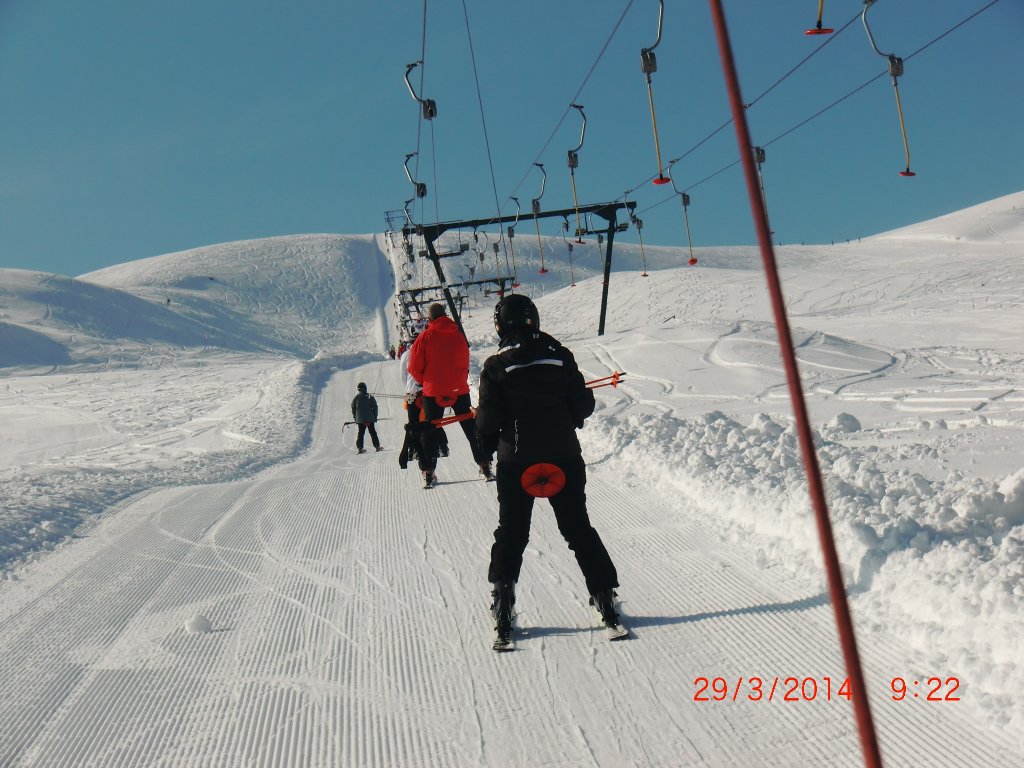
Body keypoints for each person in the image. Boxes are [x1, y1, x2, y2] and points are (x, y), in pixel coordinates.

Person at [476, 294, 623, 646]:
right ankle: (604, 597)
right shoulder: (560, 356)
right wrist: (568, 418)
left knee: (512, 532)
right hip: (563, 458)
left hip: (516, 461)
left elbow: (486, 422)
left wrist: (485, 452)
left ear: (500, 326)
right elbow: (583, 404)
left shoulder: (495, 367)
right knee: (577, 529)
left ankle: (503, 600)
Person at [408, 302, 490, 487]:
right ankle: (484, 464)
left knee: (430, 430)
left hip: (433, 391)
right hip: (458, 390)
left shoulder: (424, 337)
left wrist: (425, 381)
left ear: (430, 319)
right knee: (471, 428)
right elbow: (464, 361)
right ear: (445, 315)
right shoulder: (458, 336)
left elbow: (414, 367)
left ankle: (428, 471)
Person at [398, 334, 448, 470]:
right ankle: (441, 446)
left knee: (413, 425)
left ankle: (412, 451)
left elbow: (403, 376)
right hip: (429, 392)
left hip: (411, 394)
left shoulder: (406, 355)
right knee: (432, 423)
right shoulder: (429, 352)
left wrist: (409, 387)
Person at [350, 382, 382, 453]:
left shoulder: (356, 398)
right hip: (370, 419)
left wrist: (356, 419)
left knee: (361, 433)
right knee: (372, 432)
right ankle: (377, 447)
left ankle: (360, 449)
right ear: (365, 388)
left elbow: (353, 408)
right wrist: (375, 417)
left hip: (360, 420)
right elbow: (375, 407)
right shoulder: (369, 396)